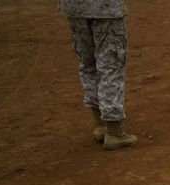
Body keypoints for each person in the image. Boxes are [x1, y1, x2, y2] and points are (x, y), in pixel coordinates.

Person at [58, 0, 138, 150]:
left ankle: (100, 125)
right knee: (111, 65)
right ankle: (114, 131)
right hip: (104, 8)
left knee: (88, 63)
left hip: (73, 7)